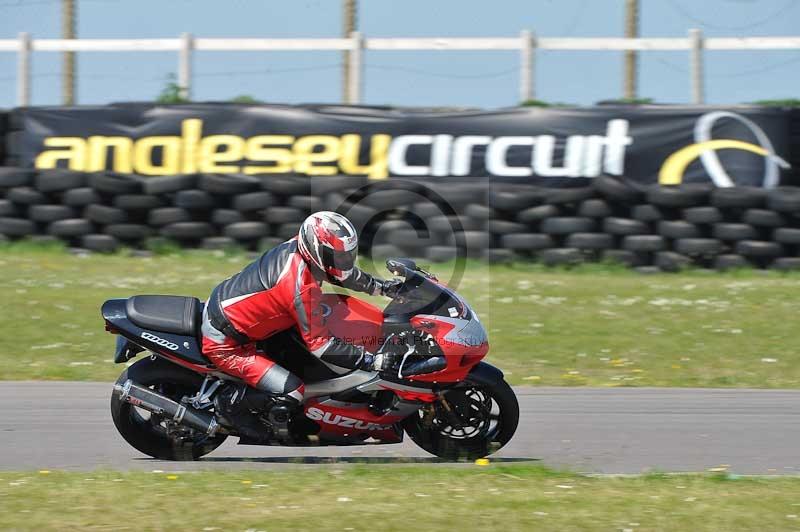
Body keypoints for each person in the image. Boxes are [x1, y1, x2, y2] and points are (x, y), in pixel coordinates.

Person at [201, 211, 401, 438]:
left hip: (249, 321)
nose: (343, 261)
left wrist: (382, 288)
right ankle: (231, 408)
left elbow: (342, 274)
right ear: (317, 250)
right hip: (227, 343)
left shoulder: (302, 250)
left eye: (347, 255)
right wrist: (370, 360)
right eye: (338, 256)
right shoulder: (300, 286)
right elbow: (321, 345)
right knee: (293, 390)